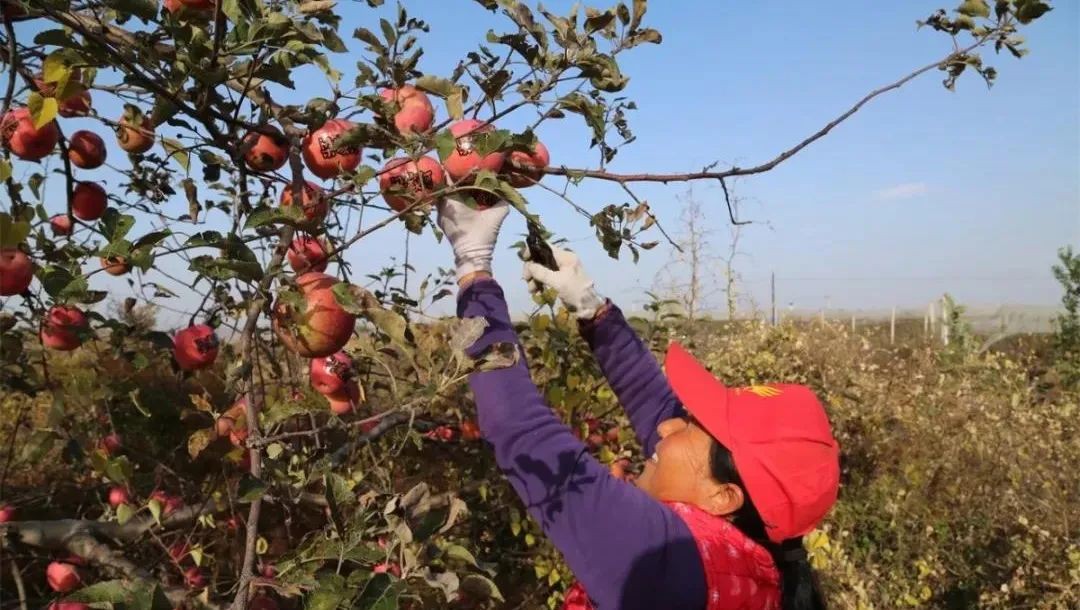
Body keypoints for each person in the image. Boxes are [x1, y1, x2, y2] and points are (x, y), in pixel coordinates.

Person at [436, 195, 841, 610]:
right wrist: (589, 307)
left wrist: (473, 268)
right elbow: (658, 406)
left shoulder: (670, 560)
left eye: (691, 426)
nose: (666, 427)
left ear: (725, 498)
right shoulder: (749, 565)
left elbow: (521, 430)